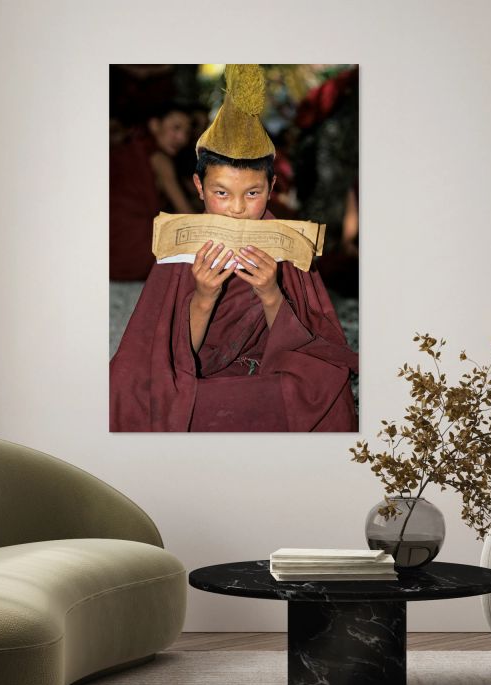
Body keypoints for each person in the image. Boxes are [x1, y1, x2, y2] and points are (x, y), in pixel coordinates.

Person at [109, 65, 358, 432]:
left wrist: (270, 293)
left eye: (253, 193)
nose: (238, 208)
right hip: (198, 375)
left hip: (264, 371)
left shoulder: (285, 241)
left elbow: (310, 347)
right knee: (136, 390)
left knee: (322, 390)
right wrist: (204, 297)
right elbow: (161, 354)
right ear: (199, 186)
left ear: (272, 187)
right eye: (221, 193)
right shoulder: (182, 243)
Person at [109, 103, 195, 281]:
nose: (182, 138)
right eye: (176, 128)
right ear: (155, 125)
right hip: (132, 247)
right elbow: (186, 213)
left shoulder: (128, 147)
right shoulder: (159, 158)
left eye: (186, 132)